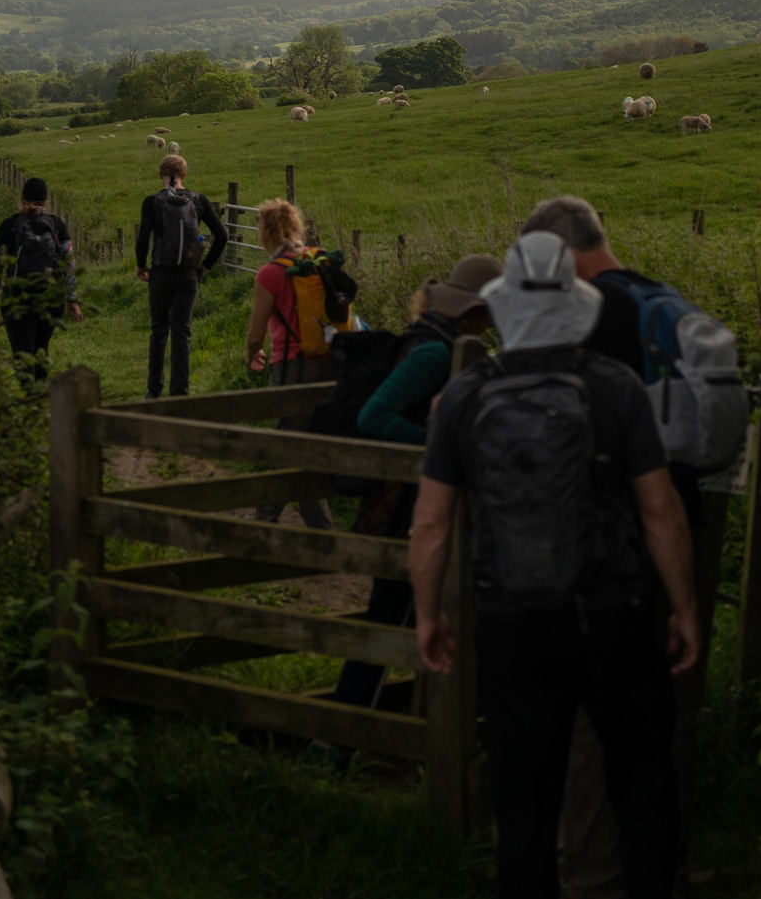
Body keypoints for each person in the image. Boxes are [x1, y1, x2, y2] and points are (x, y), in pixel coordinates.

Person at [411, 232, 701, 899]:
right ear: (575, 309)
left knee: (525, 807)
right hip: (613, 615)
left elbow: (433, 520)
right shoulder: (614, 389)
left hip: (512, 624)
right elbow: (660, 510)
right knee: (639, 786)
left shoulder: (469, 396)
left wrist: (430, 613)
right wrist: (682, 606)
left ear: (503, 313)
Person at [518, 194, 723, 899]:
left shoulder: (587, 319)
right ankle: (665, 873)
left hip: (608, 549)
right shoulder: (659, 299)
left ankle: (595, 887)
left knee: (589, 724)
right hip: (682, 535)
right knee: (669, 714)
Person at [329, 253, 496, 711]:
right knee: (392, 616)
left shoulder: (445, 342)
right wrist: (437, 444)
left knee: (403, 617)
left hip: (419, 501)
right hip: (408, 504)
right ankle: (345, 731)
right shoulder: (434, 353)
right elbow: (374, 415)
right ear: (478, 311)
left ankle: (376, 723)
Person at [242, 198, 351, 529]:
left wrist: (252, 353)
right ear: (296, 226)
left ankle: (266, 519)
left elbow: (256, 331)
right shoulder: (321, 261)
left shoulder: (271, 274)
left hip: (292, 366)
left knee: (288, 441)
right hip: (331, 363)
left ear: (265, 233)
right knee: (311, 440)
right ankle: (317, 521)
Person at [133, 152, 228, 400]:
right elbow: (222, 236)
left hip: (161, 273)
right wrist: (205, 266)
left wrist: (142, 265)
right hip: (188, 274)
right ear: (184, 175)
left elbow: (143, 238)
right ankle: (180, 393)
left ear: (160, 174)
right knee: (182, 331)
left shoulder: (152, 202)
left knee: (158, 330)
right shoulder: (198, 200)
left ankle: (153, 392)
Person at [0, 177, 81, 387]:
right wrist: (72, 298)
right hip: (51, 297)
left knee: (22, 350)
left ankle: (29, 398)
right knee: (41, 346)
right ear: (46, 200)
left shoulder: (9, 224)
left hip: (17, 297)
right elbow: (69, 262)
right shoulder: (56, 224)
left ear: (22, 198)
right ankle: (41, 395)